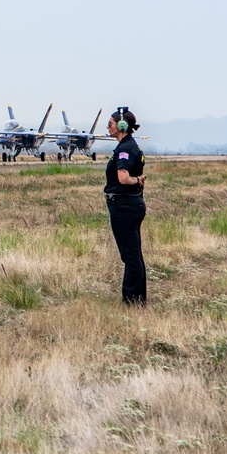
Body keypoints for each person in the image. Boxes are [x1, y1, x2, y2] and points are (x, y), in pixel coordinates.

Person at [105, 106, 147, 305]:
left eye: (111, 124)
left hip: (125, 206)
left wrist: (137, 180)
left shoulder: (125, 149)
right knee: (133, 253)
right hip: (129, 205)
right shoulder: (129, 146)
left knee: (130, 255)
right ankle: (137, 297)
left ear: (122, 126)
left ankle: (132, 300)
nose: (108, 126)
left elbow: (123, 178)